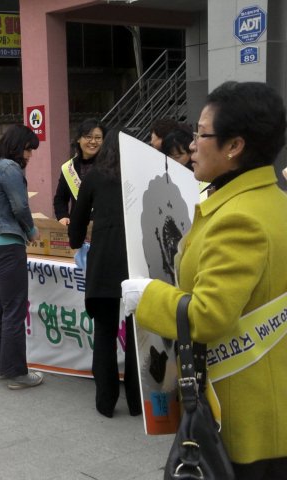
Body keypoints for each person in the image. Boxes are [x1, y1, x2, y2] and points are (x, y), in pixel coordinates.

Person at [122, 81, 287, 477]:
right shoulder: (273, 201)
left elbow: (209, 316)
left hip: (244, 413)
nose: (192, 145)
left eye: (201, 134)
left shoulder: (239, 219)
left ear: (235, 146)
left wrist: (148, 295)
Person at [68, 129, 142, 418]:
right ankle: (137, 402)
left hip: (104, 262)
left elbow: (77, 220)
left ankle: (105, 401)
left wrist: (76, 241)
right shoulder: (141, 176)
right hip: (137, 263)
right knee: (138, 334)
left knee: (104, 332)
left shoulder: (94, 177)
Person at [0, 125, 44, 390]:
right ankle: (16, 373)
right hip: (7, 245)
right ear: (18, 147)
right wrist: (31, 230)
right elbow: (20, 205)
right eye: (28, 149)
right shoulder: (10, 168)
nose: (30, 155)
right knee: (14, 310)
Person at [53, 119, 106, 225]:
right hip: (78, 227)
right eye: (88, 137)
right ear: (78, 139)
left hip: (105, 227)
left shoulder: (110, 165)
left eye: (98, 138)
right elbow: (60, 199)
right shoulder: (69, 168)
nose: (93, 141)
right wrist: (62, 216)